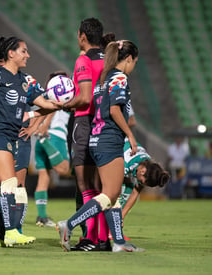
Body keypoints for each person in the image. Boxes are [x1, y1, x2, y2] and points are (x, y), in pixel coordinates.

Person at [57, 40, 144, 252]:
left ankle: (118, 243)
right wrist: (130, 136)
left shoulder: (103, 79)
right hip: (109, 140)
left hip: (95, 139)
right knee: (109, 194)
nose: (133, 68)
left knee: (110, 195)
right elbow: (115, 110)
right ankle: (69, 224)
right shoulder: (119, 78)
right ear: (130, 59)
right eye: (134, 63)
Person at [0, 36, 62, 247]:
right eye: (24, 51)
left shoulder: (27, 80)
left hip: (14, 135)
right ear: (11, 54)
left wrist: (62, 103)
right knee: (10, 182)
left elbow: (45, 104)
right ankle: (11, 231)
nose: (28, 55)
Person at [61, 17, 107, 251]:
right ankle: (102, 238)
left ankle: (89, 238)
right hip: (105, 124)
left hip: (85, 122)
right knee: (101, 186)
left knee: (85, 184)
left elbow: (85, 98)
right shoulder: (109, 59)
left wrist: (65, 104)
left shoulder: (83, 59)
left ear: (82, 36)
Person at [33, 71, 71, 227]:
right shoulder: (61, 97)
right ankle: (44, 141)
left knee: (44, 177)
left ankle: (41, 217)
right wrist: (46, 126)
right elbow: (52, 109)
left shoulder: (43, 96)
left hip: (42, 137)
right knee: (64, 169)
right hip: (54, 136)